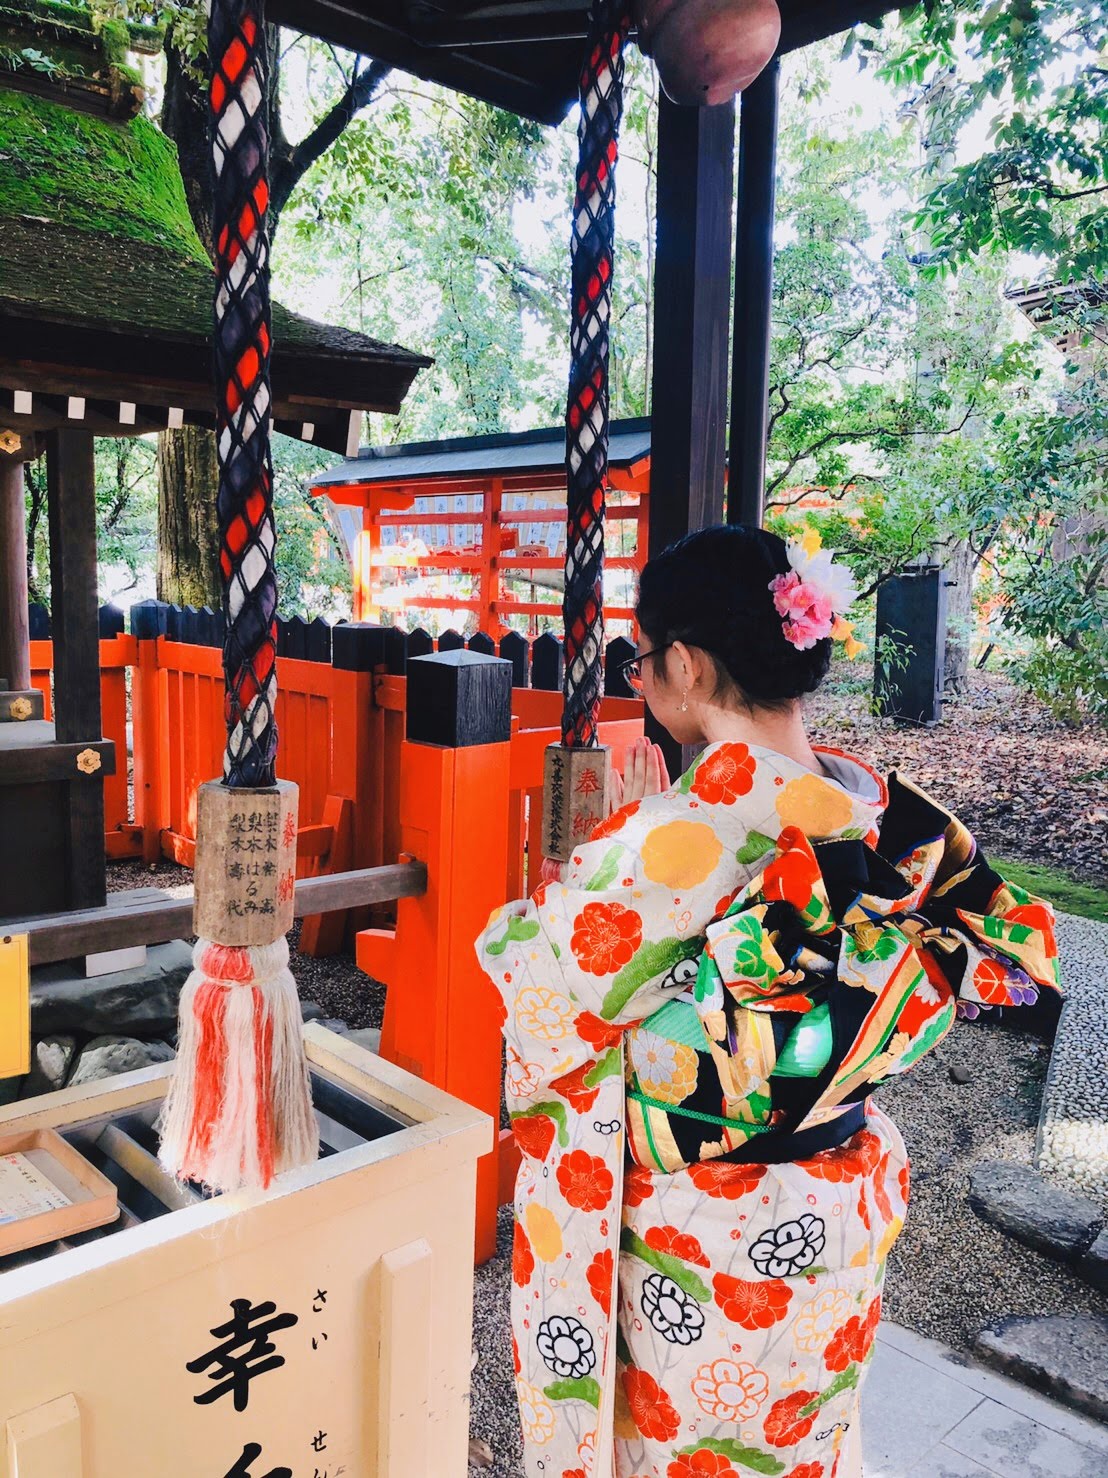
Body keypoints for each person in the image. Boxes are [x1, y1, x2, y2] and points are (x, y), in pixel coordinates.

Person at [476, 525, 1060, 1478]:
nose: (642, 681)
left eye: (641, 661)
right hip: (841, 1200)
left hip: (706, 1243)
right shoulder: (889, 812)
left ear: (689, 666)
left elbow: (544, 1007)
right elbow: (1002, 938)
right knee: (798, 1442)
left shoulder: (670, 840)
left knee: (693, 1451)